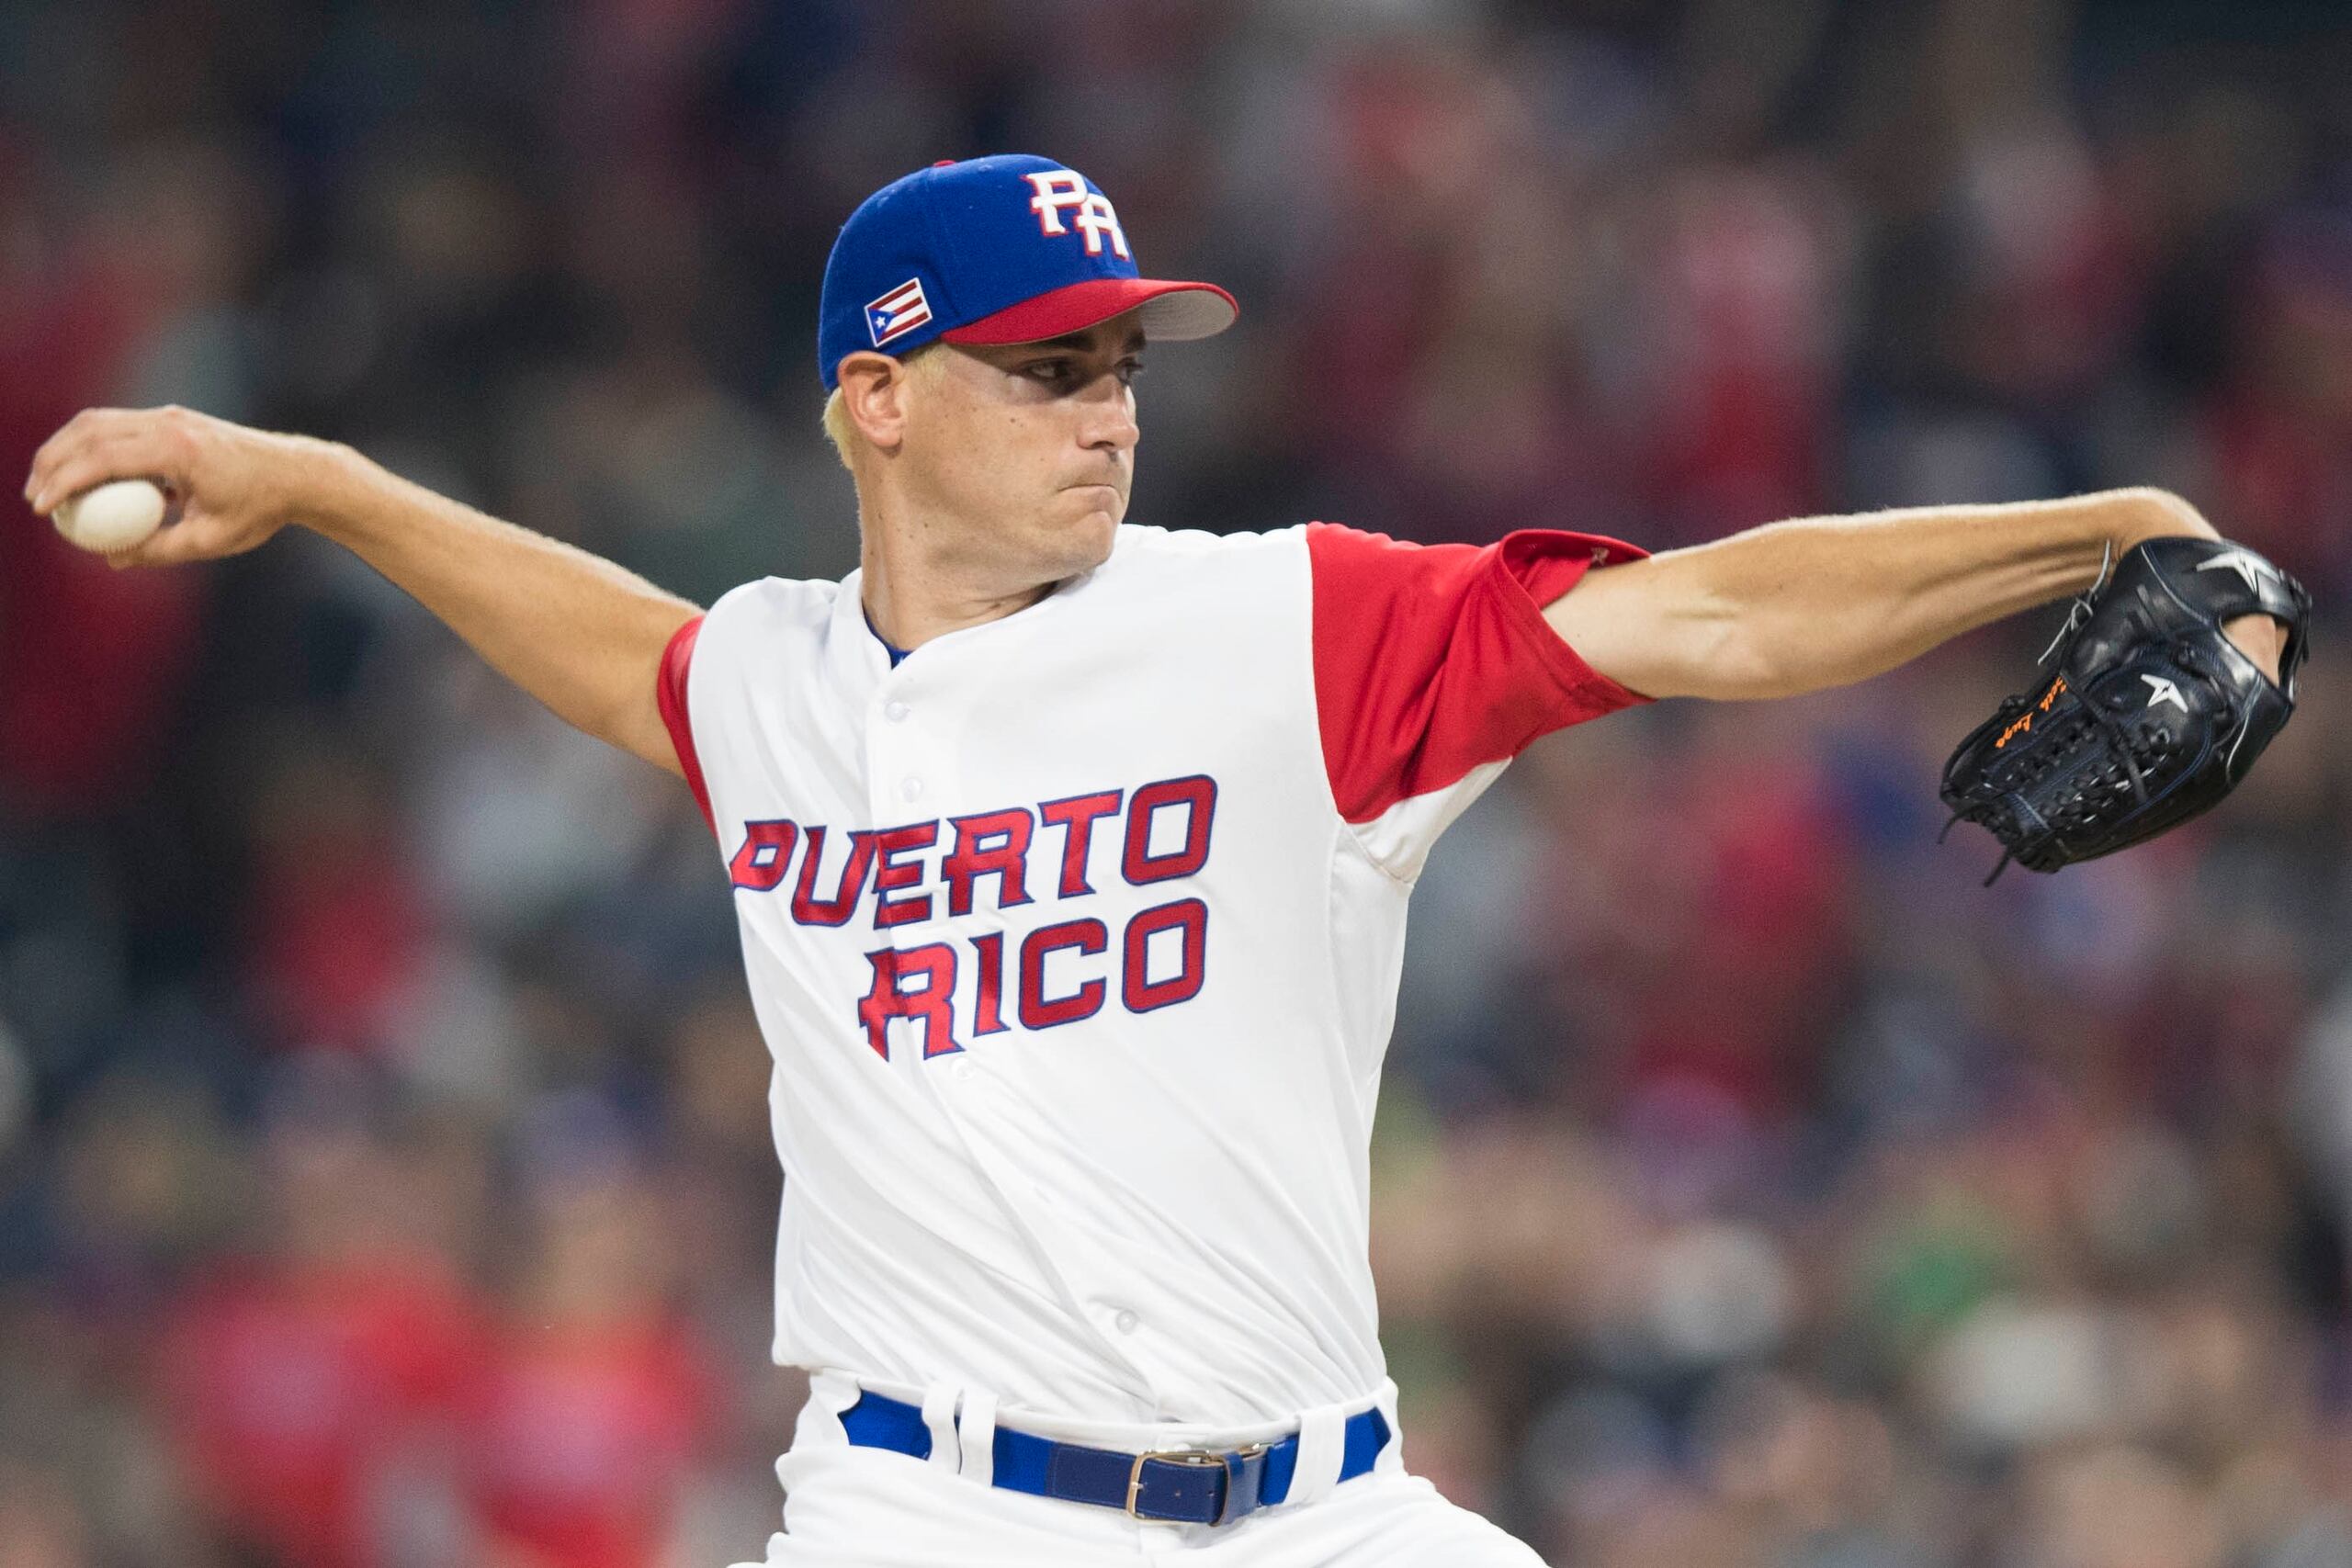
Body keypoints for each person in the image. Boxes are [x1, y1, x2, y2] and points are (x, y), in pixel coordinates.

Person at [25, 154, 2289, 1566]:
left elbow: (1696, 607)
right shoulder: (782, 685)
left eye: (1117, 355)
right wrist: (322, 481)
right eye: (1038, 366)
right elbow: (627, 653)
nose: (1106, 401)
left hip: (1323, 1509)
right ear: (876, 400)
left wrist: (2101, 528)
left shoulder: (1278, 623)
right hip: (928, 1514)